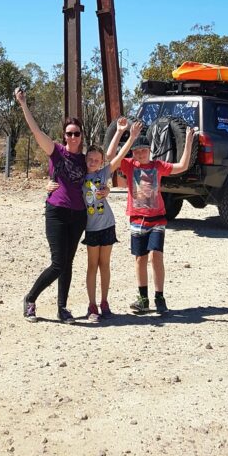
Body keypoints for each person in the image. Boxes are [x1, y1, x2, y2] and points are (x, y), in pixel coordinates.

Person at [14, 86, 87, 324]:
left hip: (78, 215)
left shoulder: (85, 160)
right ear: (63, 135)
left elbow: (107, 167)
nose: (73, 137)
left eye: (76, 133)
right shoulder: (56, 152)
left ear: (81, 135)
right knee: (58, 262)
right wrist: (24, 104)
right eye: (69, 133)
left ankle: (62, 308)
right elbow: (35, 131)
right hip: (56, 212)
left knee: (68, 263)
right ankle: (30, 298)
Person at [119, 125, 197, 315]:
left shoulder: (158, 166)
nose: (141, 154)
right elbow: (111, 157)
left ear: (150, 151)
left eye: (144, 150)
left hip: (157, 220)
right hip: (137, 219)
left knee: (156, 256)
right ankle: (143, 299)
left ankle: (159, 297)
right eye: (137, 151)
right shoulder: (129, 166)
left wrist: (188, 141)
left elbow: (183, 166)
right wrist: (126, 136)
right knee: (140, 259)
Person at [81, 117, 142, 323]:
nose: (93, 163)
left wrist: (130, 136)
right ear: (85, 159)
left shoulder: (104, 173)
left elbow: (117, 156)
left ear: (100, 162)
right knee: (92, 265)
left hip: (107, 224)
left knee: (104, 264)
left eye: (96, 160)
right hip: (90, 227)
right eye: (90, 159)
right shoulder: (80, 177)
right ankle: (92, 304)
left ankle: (104, 302)